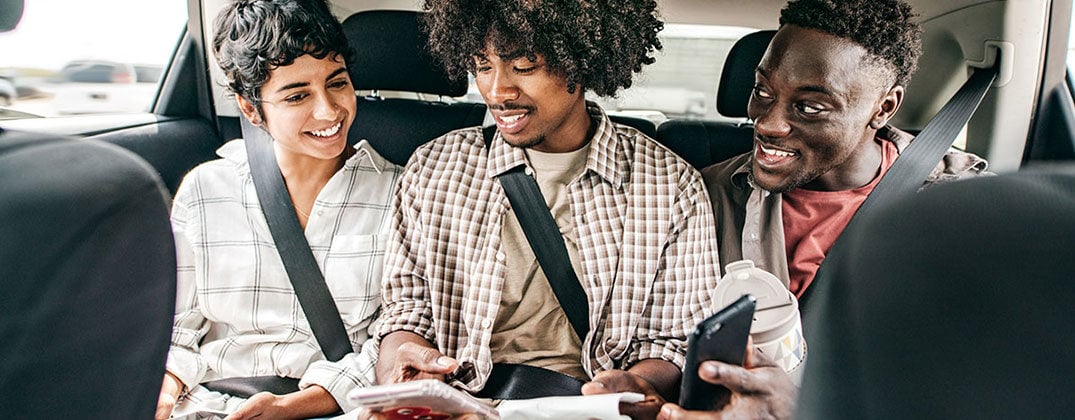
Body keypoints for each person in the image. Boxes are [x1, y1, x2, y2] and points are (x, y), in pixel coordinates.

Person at [373, 0, 720, 418]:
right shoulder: (434, 167)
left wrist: (635, 384)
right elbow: (405, 312)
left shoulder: (669, 184)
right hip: (458, 404)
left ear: (582, 62)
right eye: (483, 65)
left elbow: (671, 341)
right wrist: (408, 367)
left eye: (523, 66)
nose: (497, 91)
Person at [660, 0, 989, 418]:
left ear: (883, 108)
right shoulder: (700, 197)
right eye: (762, 92)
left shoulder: (965, 211)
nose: (767, 124)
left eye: (810, 106)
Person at [155, 0, 402, 418]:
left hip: (335, 408)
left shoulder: (401, 192)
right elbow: (177, 329)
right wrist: (162, 394)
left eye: (337, 83)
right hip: (206, 401)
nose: (329, 111)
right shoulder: (204, 190)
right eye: (297, 96)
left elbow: (398, 337)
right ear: (251, 109)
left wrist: (293, 406)